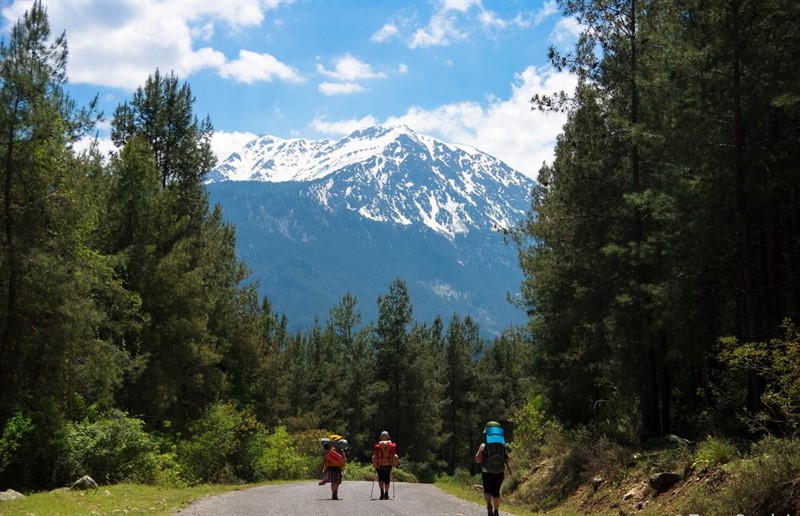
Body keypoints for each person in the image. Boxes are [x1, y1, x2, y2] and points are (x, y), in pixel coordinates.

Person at [474, 421, 509, 516]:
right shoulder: (503, 445)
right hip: (499, 472)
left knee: (487, 490)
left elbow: (478, 459)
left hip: (486, 471)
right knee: (496, 492)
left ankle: (489, 505)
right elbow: (507, 459)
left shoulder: (483, 445)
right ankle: (496, 511)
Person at [371, 430, 399, 500]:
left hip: (379, 464)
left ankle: (381, 493)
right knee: (387, 479)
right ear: (388, 437)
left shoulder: (379, 444)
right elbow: (394, 455)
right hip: (388, 464)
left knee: (380, 478)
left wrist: (375, 464)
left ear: (381, 437)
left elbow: (375, 455)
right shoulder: (390, 444)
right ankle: (386, 493)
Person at [319, 434, 347, 500]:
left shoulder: (329, 448)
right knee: (336, 481)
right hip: (338, 467)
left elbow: (326, 458)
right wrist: (344, 464)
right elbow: (344, 459)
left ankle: (333, 493)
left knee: (332, 481)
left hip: (330, 467)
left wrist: (325, 467)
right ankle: (335, 492)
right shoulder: (340, 449)